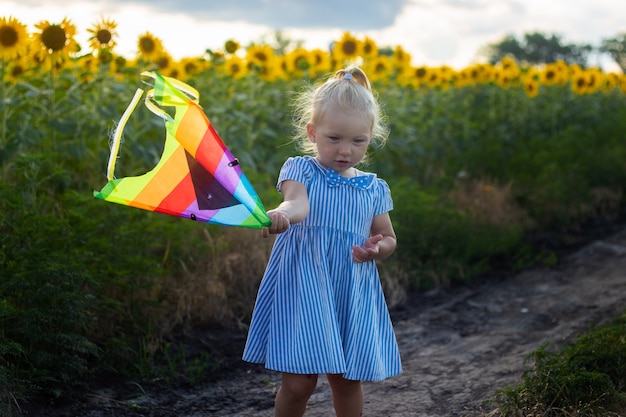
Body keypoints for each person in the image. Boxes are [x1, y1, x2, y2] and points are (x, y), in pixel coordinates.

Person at [242, 65, 402, 417]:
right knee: (299, 383)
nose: (345, 150)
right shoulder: (301, 169)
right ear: (312, 132)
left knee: (346, 380)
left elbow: (388, 238)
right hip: (306, 285)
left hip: (349, 287)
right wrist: (281, 214)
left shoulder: (373, 188)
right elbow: (296, 203)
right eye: (334, 139)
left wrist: (378, 248)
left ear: (370, 137)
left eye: (357, 141)